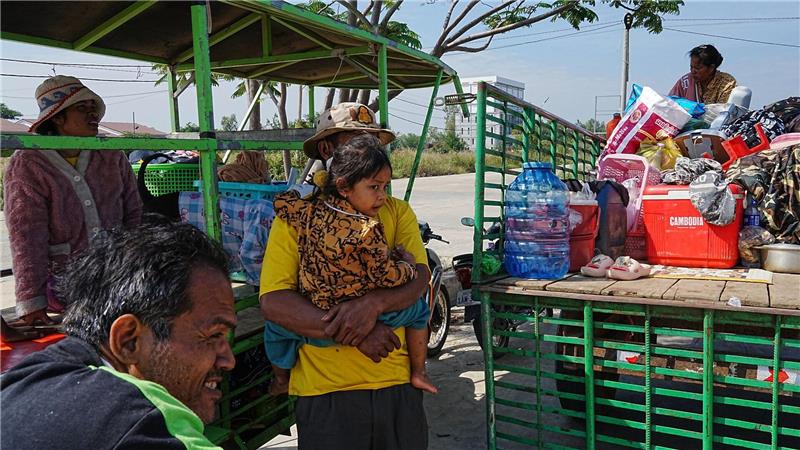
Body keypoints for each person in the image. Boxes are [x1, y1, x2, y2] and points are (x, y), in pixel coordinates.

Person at [260, 102, 431, 449]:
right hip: (326, 391)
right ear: (328, 152)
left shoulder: (395, 212)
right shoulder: (299, 217)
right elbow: (275, 301)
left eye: (373, 143)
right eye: (355, 141)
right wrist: (357, 332)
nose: (366, 150)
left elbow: (420, 277)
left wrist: (373, 304)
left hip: (395, 384)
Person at [0, 220, 236, 449]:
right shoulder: (142, 421)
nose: (229, 361)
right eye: (213, 335)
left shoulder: (20, 382)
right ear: (128, 340)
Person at [3, 75, 142, 325]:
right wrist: (31, 301)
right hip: (65, 284)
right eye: (81, 108)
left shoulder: (111, 156)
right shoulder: (28, 163)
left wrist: (136, 269)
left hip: (117, 275)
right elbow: (27, 237)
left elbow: (134, 214)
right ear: (56, 117)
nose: (93, 115)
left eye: (93, 109)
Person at [669, 44, 737, 104]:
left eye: (698, 68)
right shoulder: (685, 82)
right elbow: (670, 104)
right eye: (691, 67)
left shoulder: (727, 83)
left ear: (711, 68)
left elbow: (724, 113)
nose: (693, 71)